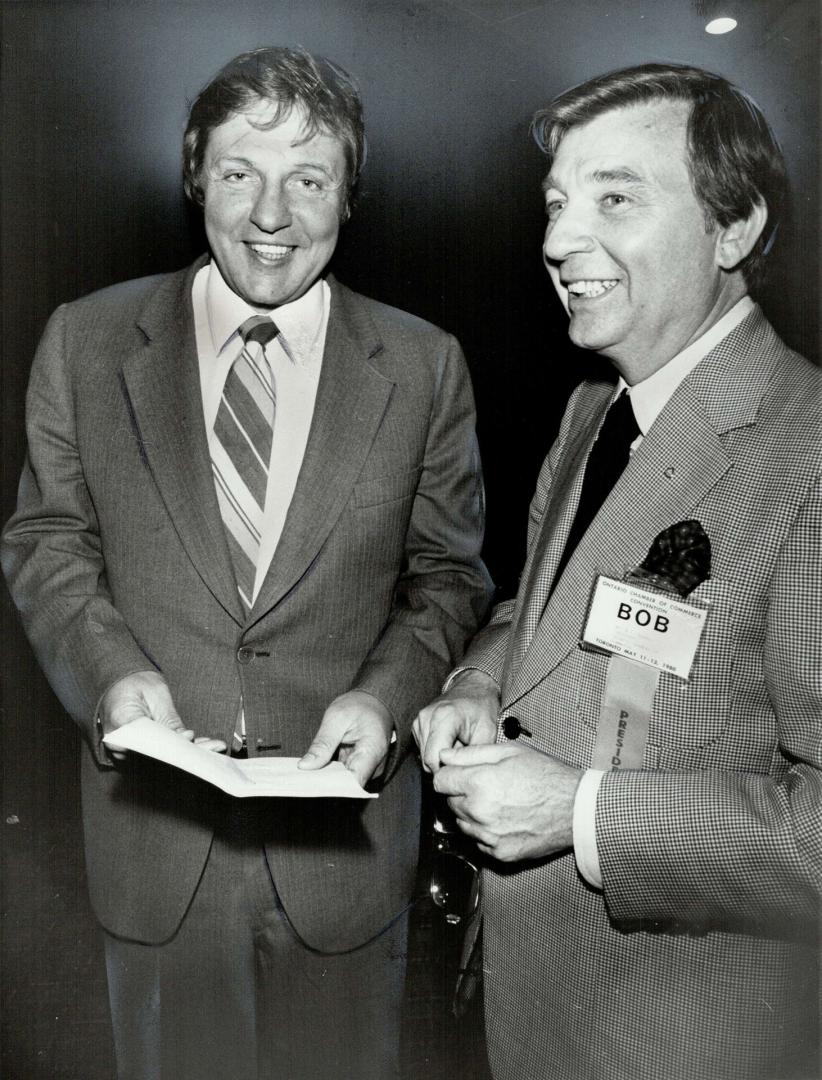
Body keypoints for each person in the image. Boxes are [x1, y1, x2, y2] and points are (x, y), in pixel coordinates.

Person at [2, 46, 492, 1080]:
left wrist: (386, 699)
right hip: (155, 854)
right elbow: (48, 542)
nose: (272, 214)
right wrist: (108, 676)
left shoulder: (423, 364)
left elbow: (449, 577)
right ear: (195, 177)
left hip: (344, 866)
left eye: (308, 179)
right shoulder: (85, 343)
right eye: (240, 173)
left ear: (347, 196)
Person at [414, 63, 820, 1080]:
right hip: (539, 1006)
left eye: (615, 199)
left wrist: (581, 814)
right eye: (556, 203)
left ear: (735, 231)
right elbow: (541, 613)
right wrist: (476, 683)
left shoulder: (808, 454)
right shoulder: (596, 405)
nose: (556, 243)